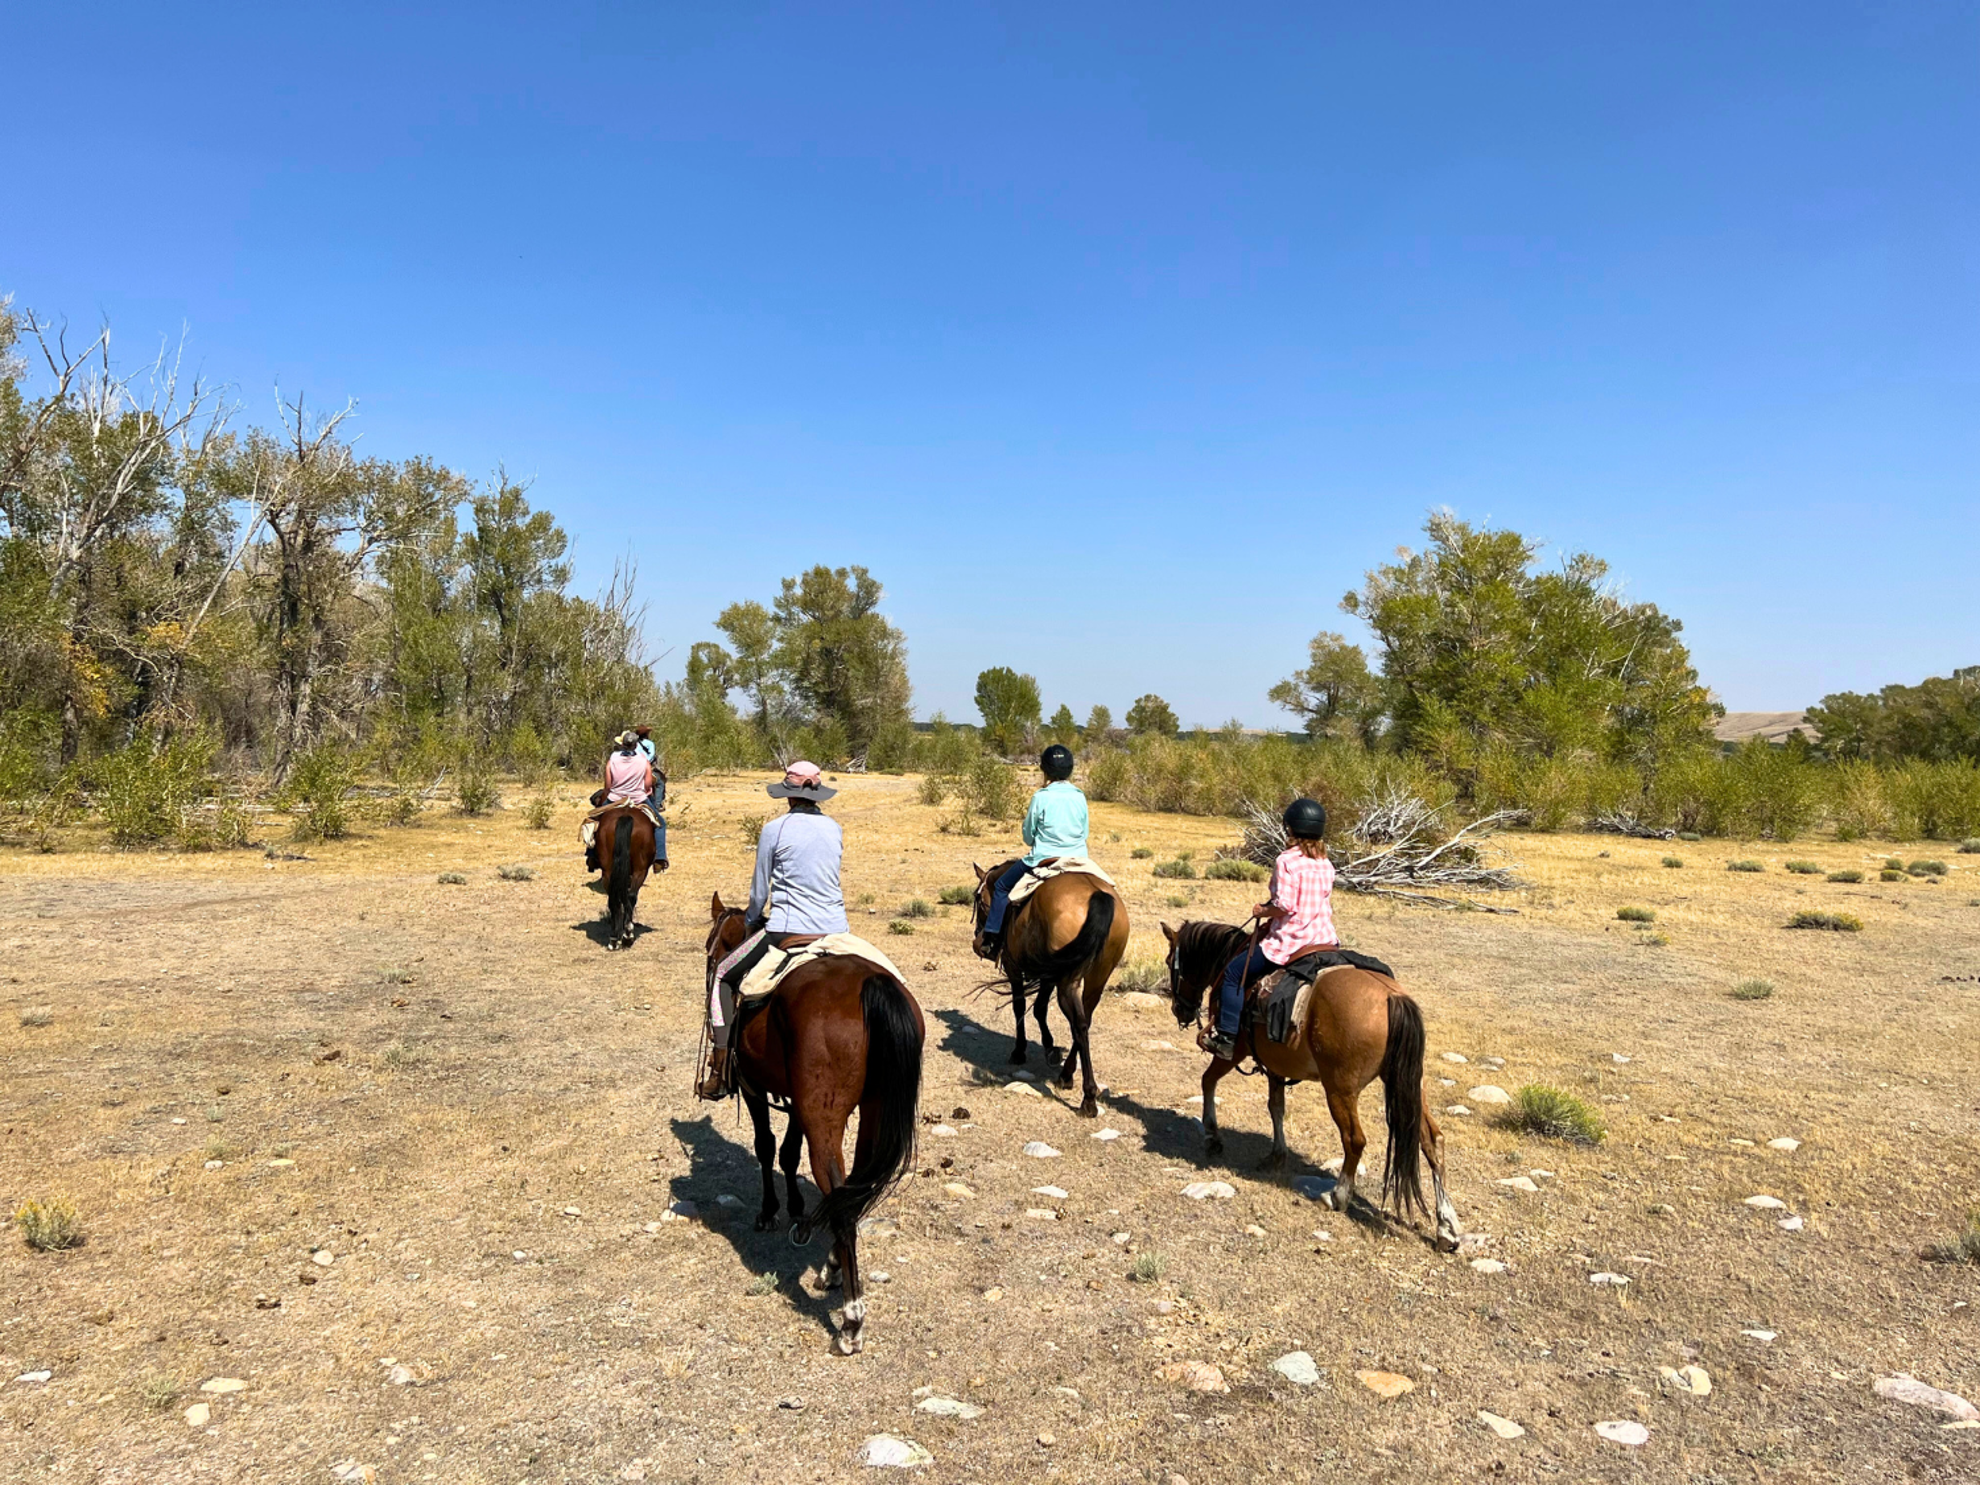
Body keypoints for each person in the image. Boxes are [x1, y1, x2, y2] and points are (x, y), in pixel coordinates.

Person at [697, 761, 849, 1100]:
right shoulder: (834, 828)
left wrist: (752, 919)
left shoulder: (774, 829)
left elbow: (758, 894)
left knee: (722, 974)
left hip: (787, 930)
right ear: (816, 796)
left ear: (788, 797)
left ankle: (721, 1067)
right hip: (837, 929)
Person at [1200, 797, 1336, 1060]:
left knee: (1233, 974)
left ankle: (1227, 1038)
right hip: (1323, 940)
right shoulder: (1325, 863)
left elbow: (1285, 905)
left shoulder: (1287, 860)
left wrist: (1262, 911)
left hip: (1290, 941)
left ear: (1291, 829)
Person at [974, 743, 1088, 960]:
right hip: (1078, 858)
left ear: (1045, 771)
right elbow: (1084, 831)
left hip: (1044, 858)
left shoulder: (1041, 797)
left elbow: (1028, 835)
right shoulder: (1080, 796)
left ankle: (992, 939)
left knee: (1000, 886)